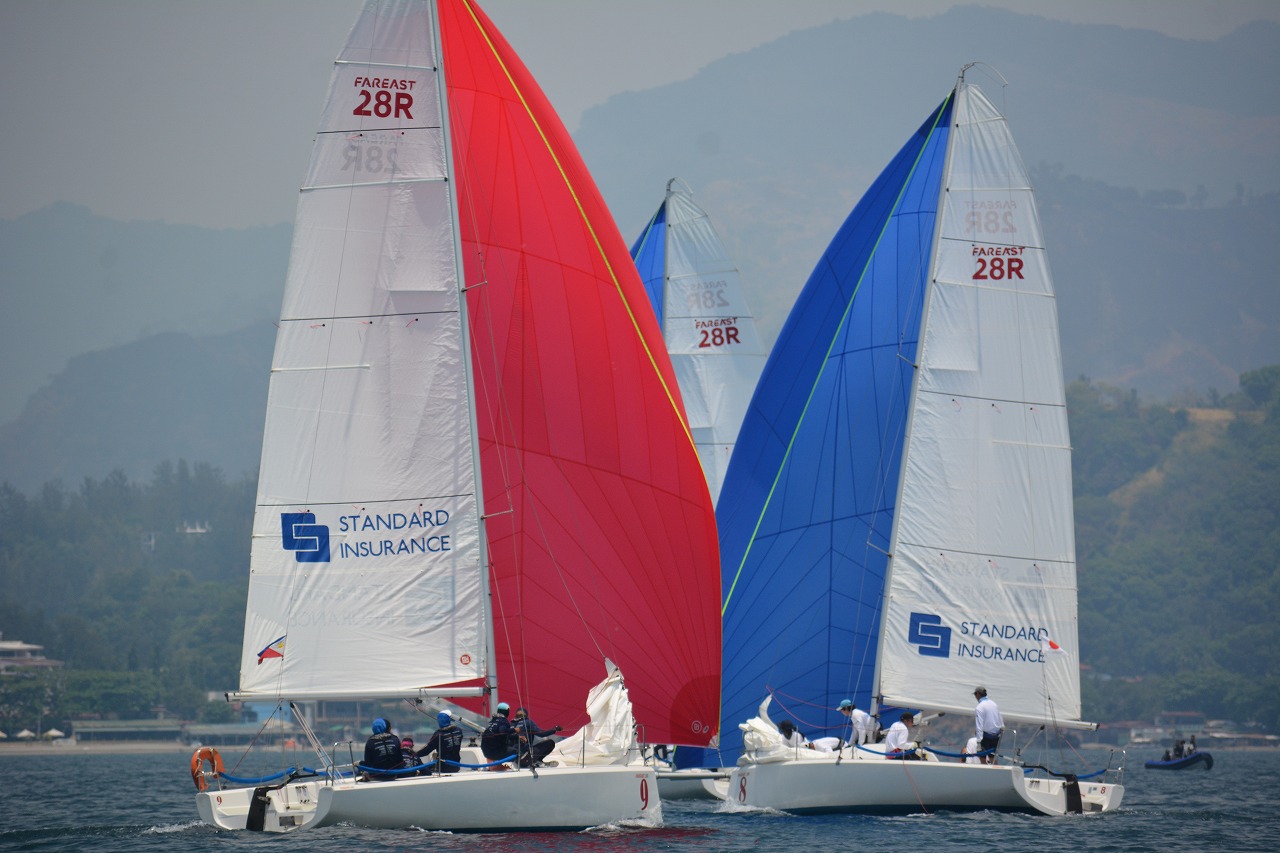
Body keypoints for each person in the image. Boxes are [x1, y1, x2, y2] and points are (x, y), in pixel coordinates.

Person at [480, 702, 517, 768]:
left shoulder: (492, 721)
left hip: (486, 752)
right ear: (507, 711)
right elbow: (502, 731)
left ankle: (494, 766)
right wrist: (515, 730)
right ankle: (499, 766)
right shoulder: (503, 721)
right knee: (516, 751)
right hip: (495, 752)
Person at [973, 687, 1004, 764]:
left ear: (978, 694)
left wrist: (978, 742)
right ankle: (996, 770)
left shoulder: (979, 707)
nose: (975, 696)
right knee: (992, 757)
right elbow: (1000, 718)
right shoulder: (994, 704)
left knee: (982, 757)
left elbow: (979, 725)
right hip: (996, 736)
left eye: (975, 694)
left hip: (986, 737)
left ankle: (985, 770)